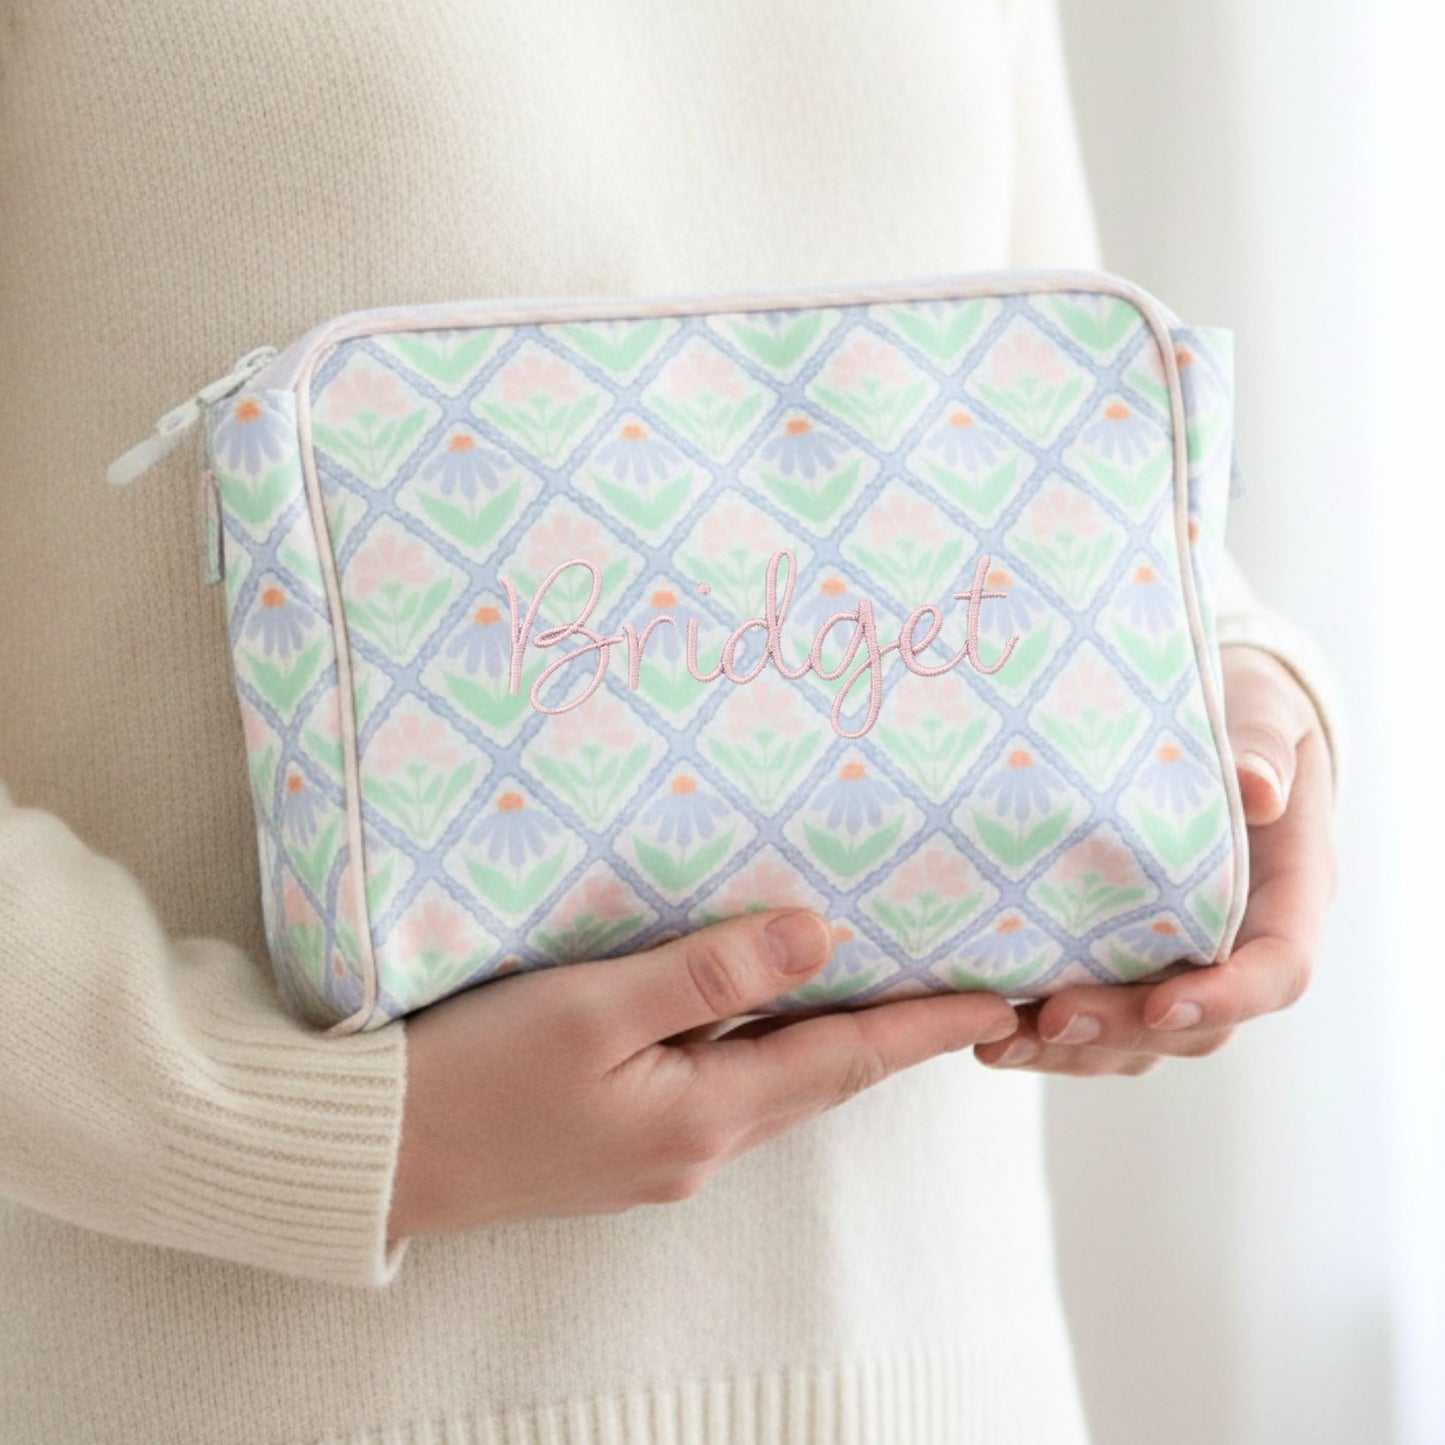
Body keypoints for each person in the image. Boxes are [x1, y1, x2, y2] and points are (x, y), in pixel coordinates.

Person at [0, 1, 1340, 1441]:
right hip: (247, 1392)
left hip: (943, 1368)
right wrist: (294, 1129)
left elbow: (1042, 396)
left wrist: (1239, 689)